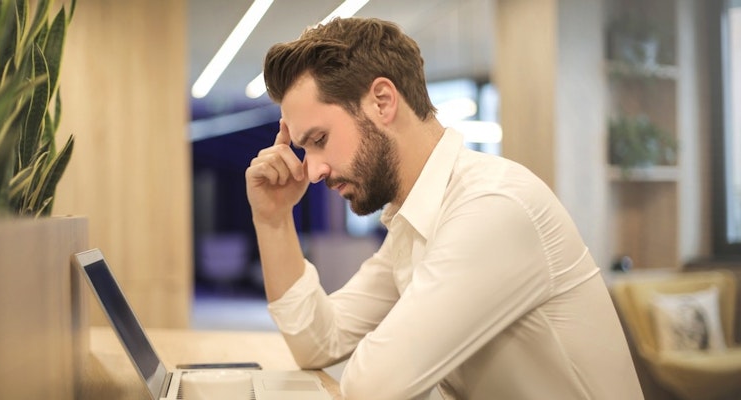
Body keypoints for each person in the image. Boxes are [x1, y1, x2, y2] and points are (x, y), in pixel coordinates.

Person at [245, 17, 643, 400]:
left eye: (319, 139)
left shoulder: (492, 207)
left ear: (382, 102)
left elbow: (375, 386)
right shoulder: (414, 222)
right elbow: (319, 343)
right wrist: (274, 219)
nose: (312, 171)